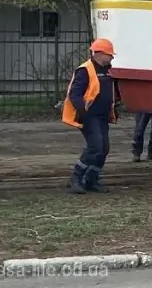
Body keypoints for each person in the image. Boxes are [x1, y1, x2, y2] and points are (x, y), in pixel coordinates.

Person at [62, 38, 120, 194]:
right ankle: (75, 179)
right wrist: (83, 110)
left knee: (103, 148)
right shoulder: (85, 70)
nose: (112, 57)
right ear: (99, 54)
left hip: (102, 115)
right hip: (89, 116)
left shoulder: (107, 69)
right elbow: (74, 95)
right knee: (95, 146)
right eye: (109, 54)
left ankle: (91, 179)